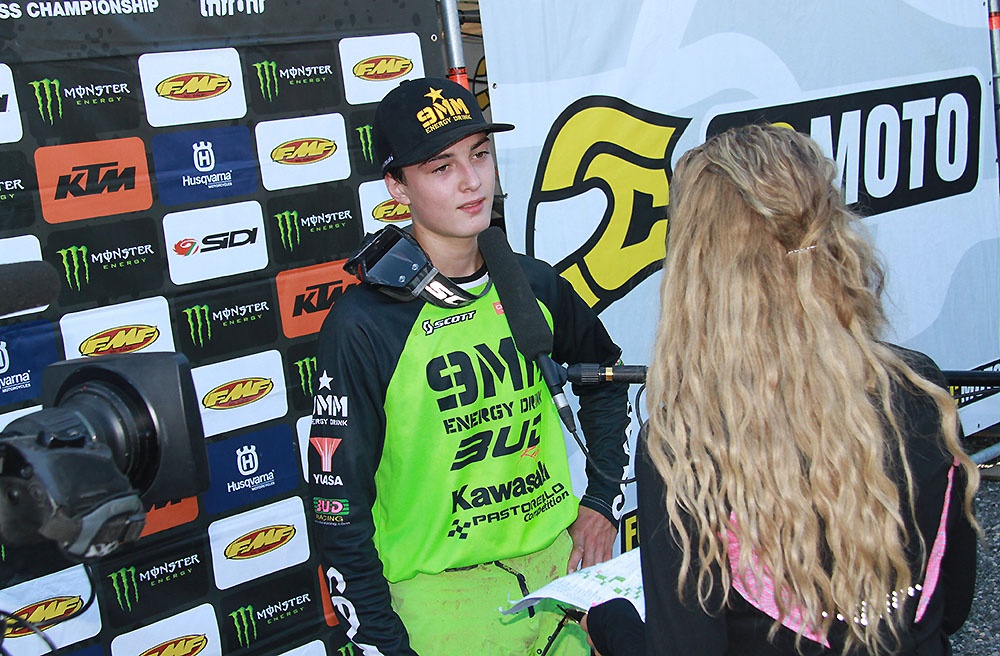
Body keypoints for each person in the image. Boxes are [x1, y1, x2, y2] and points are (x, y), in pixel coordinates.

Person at [582, 124, 979, 655]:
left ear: (696, 274)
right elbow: (950, 606)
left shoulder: (687, 449)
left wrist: (611, 626)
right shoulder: (920, 391)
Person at [308, 77, 630, 656]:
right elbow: (339, 510)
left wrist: (603, 500)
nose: (472, 180)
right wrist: (384, 642)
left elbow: (606, 377)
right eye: (442, 167)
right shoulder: (364, 324)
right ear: (397, 186)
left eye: (479, 154)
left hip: (560, 585)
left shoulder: (534, 283)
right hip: (438, 608)